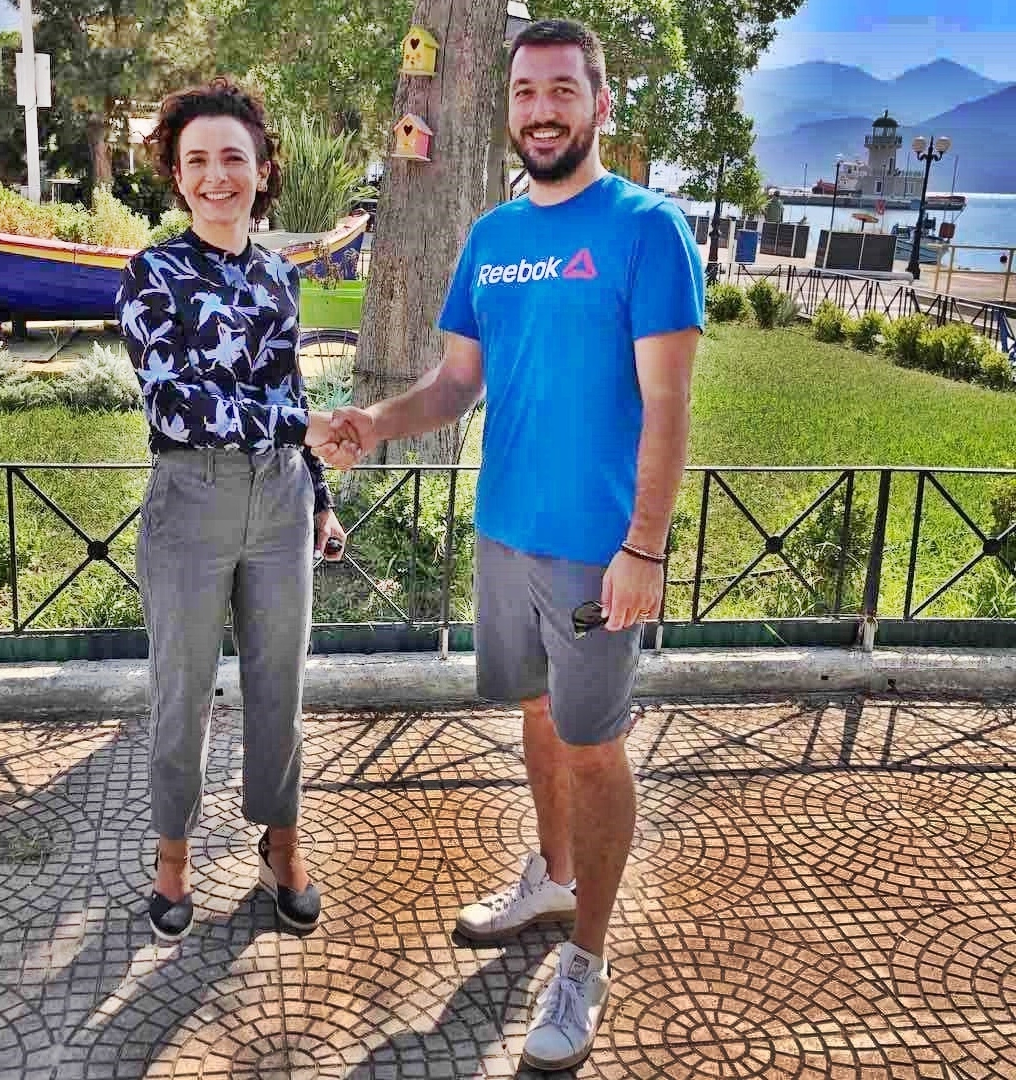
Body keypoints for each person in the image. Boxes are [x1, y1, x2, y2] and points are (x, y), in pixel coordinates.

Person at [331, 19, 705, 1072]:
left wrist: (644, 547)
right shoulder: (491, 237)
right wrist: (374, 425)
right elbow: (458, 382)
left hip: (597, 551)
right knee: (537, 715)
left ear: (599, 104)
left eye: (561, 91)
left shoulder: (646, 230)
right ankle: (552, 879)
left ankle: (586, 958)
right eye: (525, 93)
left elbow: (669, 405)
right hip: (503, 532)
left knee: (593, 743)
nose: (541, 111)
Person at [116, 77, 357, 941]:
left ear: (261, 170)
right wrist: (301, 426)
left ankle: (280, 844)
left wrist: (319, 496)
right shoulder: (152, 274)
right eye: (197, 161)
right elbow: (176, 405)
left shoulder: (277, 276)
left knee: (279, 685)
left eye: (233, 158)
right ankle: (172, 858)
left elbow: (286, 392)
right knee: (181, 687)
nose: (216, 176)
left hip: (281, 500)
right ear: (176, 176)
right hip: (192, 497)